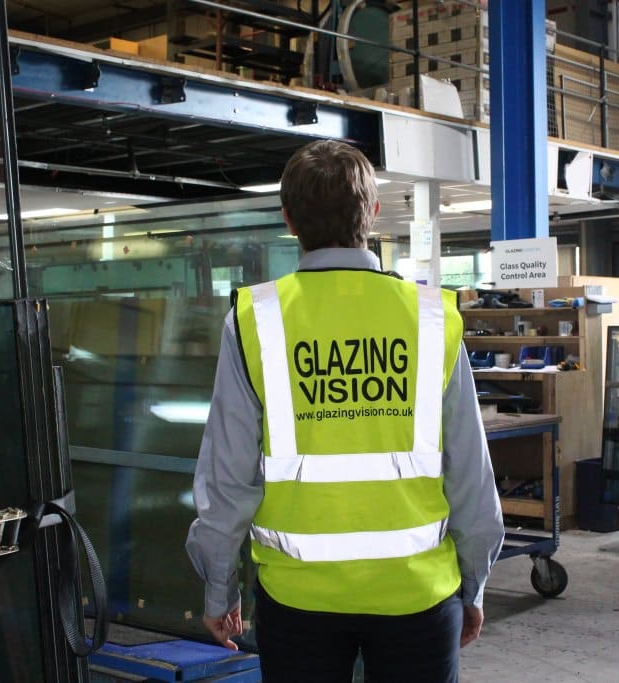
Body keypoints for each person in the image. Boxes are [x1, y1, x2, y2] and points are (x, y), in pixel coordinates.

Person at [185, 139, 504, 683]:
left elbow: (228, 478)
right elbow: (471, 478)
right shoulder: (431, 318)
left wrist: (219, 588)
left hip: (298, 599)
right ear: (374, 212)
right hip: (419, 597)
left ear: (288, 219)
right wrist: (471, 586)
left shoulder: (256, 321)